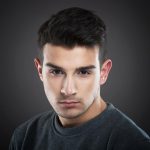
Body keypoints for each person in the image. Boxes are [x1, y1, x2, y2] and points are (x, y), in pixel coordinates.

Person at [9, 7, 150, 150]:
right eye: (56, 71)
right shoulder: (24, 137)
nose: (68, 90)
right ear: (40, 71)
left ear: (104, 72)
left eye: (83, 72)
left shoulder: (134, 143)